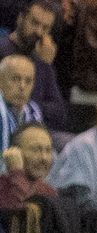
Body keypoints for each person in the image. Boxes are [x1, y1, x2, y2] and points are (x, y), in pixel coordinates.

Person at [0, 1, 68, 135]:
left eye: (45, 28)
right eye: (34, 23)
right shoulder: (2, 50)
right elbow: (11, 104)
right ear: (21, 18)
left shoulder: (41, 56)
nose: (39, 31)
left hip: (36, 131)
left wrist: (44, 65)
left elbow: (59, 113)